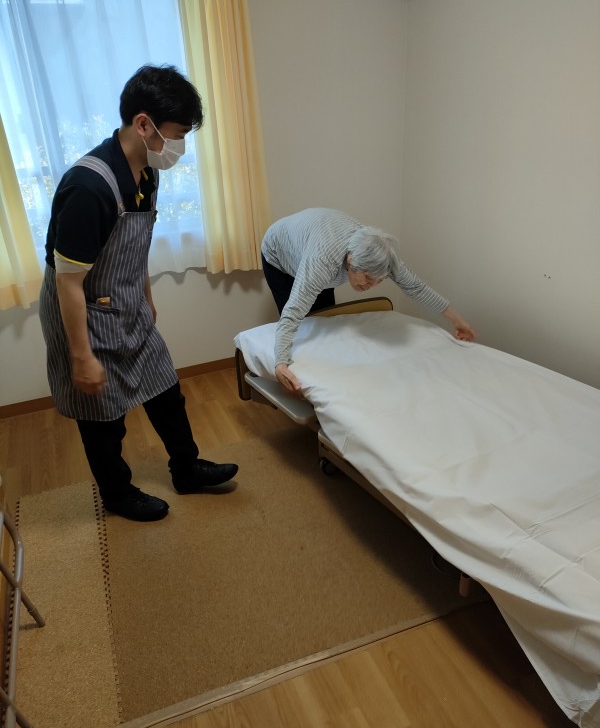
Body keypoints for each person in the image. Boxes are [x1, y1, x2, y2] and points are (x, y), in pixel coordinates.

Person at [39, 64, 238, 522]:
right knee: (102, 416)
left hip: (127, 300)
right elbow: (68, 281)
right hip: (84, 312)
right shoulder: (89, 187)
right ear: (144, 124)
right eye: (178, 134)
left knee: (165, 389)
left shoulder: (147, 172)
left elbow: (134, 242)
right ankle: (117, 493)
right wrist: (80, 356)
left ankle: (186, 468)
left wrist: (145, 296)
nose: (180, 146)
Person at [261, 207, 476, 395]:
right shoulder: (322, 262)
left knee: (324, 321)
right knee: (304, 321)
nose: (371, 285)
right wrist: (280, 363)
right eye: (367, 277)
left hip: (315, 243)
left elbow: (417, 288)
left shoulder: (383, 256)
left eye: (379, 280)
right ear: (351, 260)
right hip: (279, 256)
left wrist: (458, 322)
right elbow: (293, 311)